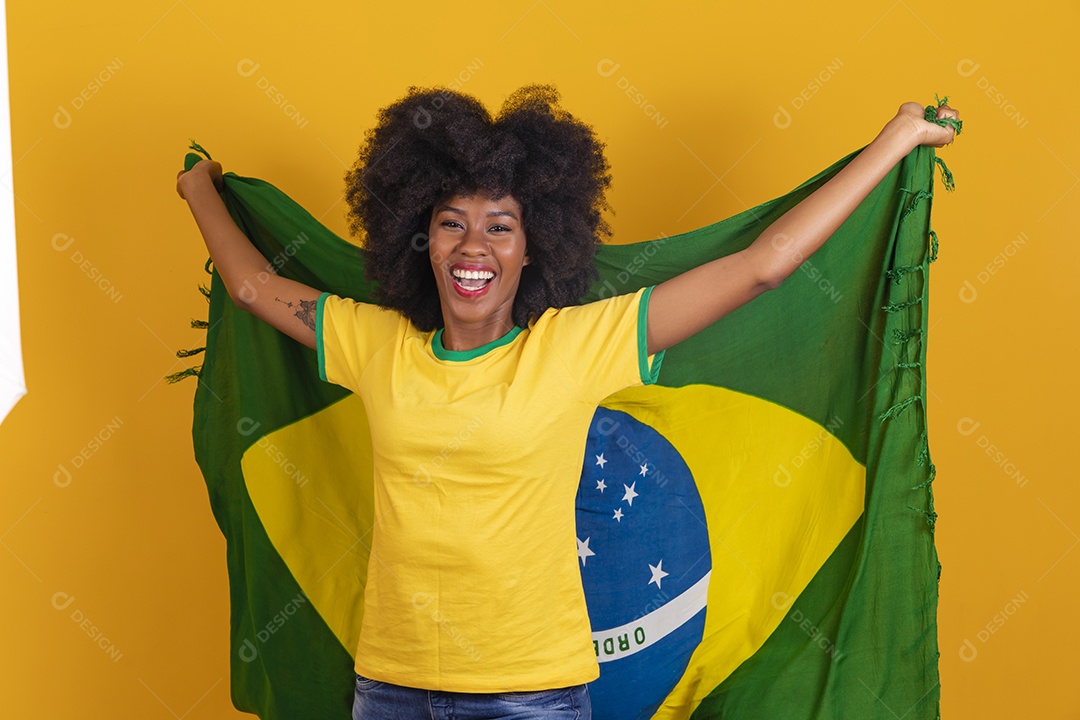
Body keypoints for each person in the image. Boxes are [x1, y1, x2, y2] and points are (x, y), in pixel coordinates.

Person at [177, 85, 958, 720]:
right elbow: (252, 286)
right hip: (390, 690)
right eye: (451, 224)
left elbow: (760, 269)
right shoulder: (373, 342)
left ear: (536, 243)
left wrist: (893, 141)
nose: (473, 247)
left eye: (500, 226)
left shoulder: (577, 344)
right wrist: (198, 188)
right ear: (419, 239)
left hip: (531, 696)